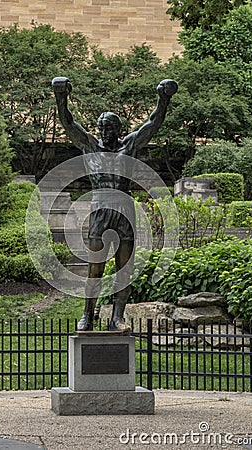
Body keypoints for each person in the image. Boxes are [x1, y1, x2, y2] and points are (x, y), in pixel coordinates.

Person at [52, 76, 177, 332]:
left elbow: (153, 123)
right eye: (101, 127)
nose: (104, 132)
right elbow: (68, 123)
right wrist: (61, 96)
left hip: (124, 210)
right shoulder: (89, 146)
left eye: (109, 127)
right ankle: (87, 315)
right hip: (100, 208)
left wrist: (163, 98)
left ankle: (117, 318)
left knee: (124, 268)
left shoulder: (129, 146)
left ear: (118, 130)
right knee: (95, 267)